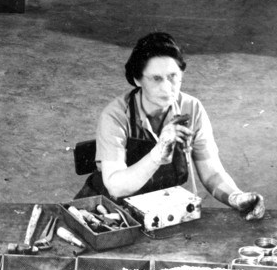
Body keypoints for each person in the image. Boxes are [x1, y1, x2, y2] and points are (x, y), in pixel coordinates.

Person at [77, 32, 266, 220]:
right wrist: (157, 154)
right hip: (106, 213)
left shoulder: (191, 109)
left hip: (158, 209)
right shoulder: (116, 115)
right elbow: (116, 186)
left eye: (173, 76)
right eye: (156, 79)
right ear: (137, 79)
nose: (167, 87)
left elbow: (212, 174)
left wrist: (236, 197)